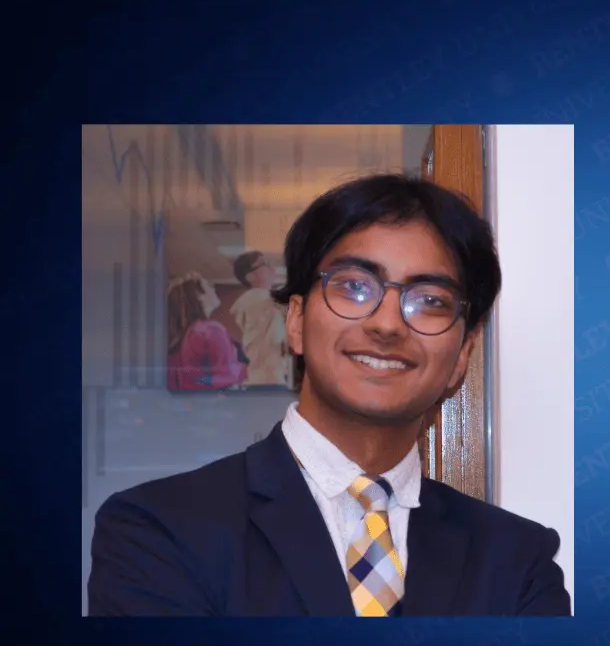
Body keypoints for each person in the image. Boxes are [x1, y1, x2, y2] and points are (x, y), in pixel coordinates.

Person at [91, 174, 571, 617]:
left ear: (462, 354)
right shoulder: (159, 531)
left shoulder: (518, 562)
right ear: (296, 322)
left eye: (429, 301)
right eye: (355, 288)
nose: (386, 324)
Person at [167, 272, 248, 391]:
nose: (213, 288)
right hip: (212, 405)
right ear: (199, 295)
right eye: (209, 286)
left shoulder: (181, 336)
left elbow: (198, 379)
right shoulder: (210, 330)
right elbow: (227, 375)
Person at [229, 251, 292, 388]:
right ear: (250, 277)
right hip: (269, 381)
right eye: (264, 264)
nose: (271, 267)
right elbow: (276, 339)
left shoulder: (259, 301)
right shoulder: (259, 300)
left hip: (266, 378)